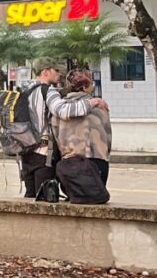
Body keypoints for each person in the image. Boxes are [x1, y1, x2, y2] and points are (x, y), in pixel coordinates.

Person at [20, 58, 109, 199]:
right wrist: (93, 102)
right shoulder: (48, 91)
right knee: (45, 201)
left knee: (30, 198)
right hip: (44, 154)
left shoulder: (25, 90)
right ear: (45, 72)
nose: (59, 74)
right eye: (56, 70)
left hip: (26, 153)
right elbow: (63, 111)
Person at [52, 68, 112, 204]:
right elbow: (107, 136)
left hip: (70, 163)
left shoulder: (59, 109)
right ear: (85, 86)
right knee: (97, 201)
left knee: (74, 202)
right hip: (97, 160)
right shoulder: (99, 107)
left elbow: (55, 137)